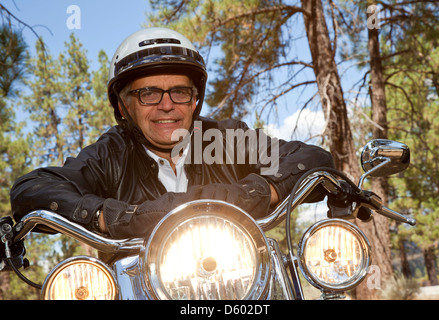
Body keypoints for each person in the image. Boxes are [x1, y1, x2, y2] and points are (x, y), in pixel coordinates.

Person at [10, 27, 334, 239]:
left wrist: (253, 193)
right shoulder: (111, 154)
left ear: (195, 101)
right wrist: (112, 216)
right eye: (149, 93)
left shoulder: (223, 140)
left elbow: (313, 158)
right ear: (124, 107)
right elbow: (30, 189)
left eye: (179, 92)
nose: (167, 106)